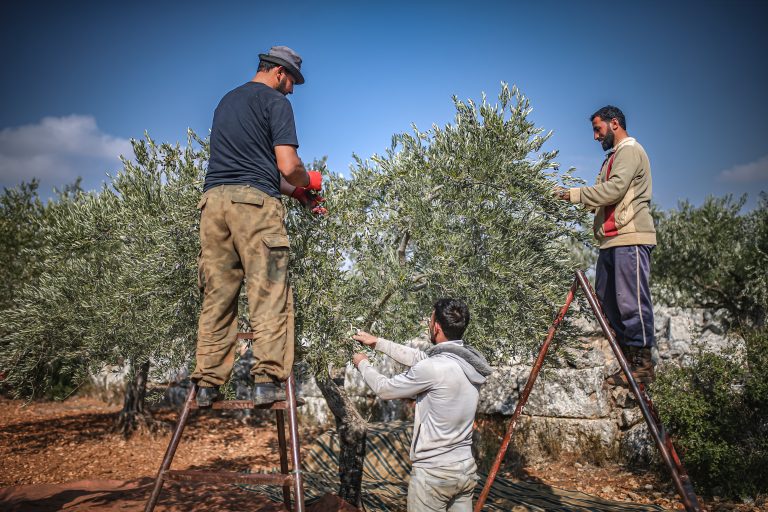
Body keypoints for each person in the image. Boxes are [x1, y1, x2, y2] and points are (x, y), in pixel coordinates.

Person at [192, 46, 325, 407]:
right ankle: (266, 382)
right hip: (254, 208)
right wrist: (309, 180)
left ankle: (206, 385)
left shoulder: (226, 102)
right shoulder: (276, 102)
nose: (293, 90)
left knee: (218, 294)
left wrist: (297, 195)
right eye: (292, 81)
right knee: (270, 291)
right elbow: (286, 165)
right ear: (280, 73)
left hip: (214, 204)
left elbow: (251, 168)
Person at [351, 299, 491, 512]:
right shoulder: (470, 363)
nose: (428, 324)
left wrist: (362, 363)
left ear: (436, 327)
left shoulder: (433, 368)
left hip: (434, 475)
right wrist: (377, 342)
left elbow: (384, 389)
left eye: (430, 319)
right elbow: (420, 357)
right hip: (464, 470)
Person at [556, 105, 656, 386]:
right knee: (606, 301)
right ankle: (628, 361)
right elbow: (601, 196)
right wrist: (566, 199)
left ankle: (643, 365)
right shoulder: (613, 157)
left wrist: (571, 194)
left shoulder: (630, 151)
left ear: (615, 124)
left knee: (631, 300)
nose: (595, 137)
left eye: (597, 129)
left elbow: (613, 190)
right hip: (610, 240)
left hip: (630, 238)